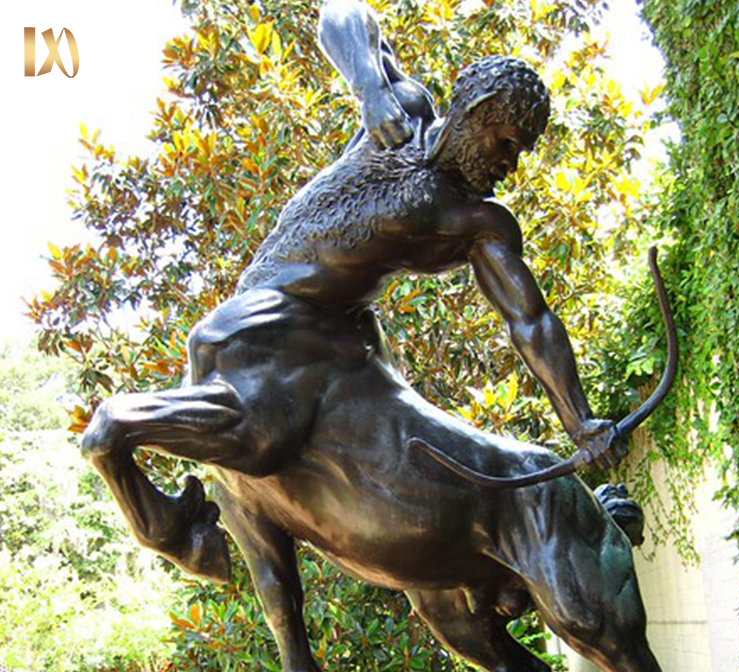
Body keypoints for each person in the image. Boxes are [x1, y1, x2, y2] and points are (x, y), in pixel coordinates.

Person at [232, 0, 627, 468]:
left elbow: (531, 320)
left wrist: (580, 423)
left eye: (519, 152)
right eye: (506, 143)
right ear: (476, 111)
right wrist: (370, 89)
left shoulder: (479, 223)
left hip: (324, 336)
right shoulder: (403, 110)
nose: (511, 165)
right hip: (255, 293)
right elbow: (341, 13)